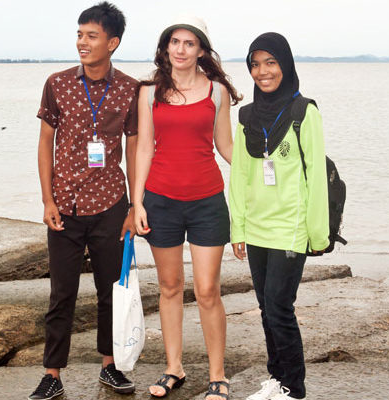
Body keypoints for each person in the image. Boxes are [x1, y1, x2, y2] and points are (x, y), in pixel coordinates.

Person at [30, 2, 139, 399]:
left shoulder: (130, 89)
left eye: (92, 36)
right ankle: (52, 374)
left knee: (112, 291)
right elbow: (45, 143)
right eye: (79, 34)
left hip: (111, 203)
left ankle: (110, 366)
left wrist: (134, 206)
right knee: (62, 294)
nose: (82, 42)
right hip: (65, 205)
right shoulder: (57, 84)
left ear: (113, 42)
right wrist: (47, 200)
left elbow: (134, 148)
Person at [133, 15, 241, 400]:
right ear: (166, 48)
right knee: (169, 287)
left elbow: (226, 147)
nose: (180, 49)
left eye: (189, 43)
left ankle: (218, 376)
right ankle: (173, 367)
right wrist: (136, 203)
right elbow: (144, 149)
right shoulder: (149, 92)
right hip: (160, 201)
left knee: (208, 290)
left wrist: (264, 175)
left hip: (207, 201)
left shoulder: (216, 92)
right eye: (174, 42)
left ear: (201, 51)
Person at [229, 32, 330, 400]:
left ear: (285, 65)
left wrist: (318, 235)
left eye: (270, 62)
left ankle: (294, 388)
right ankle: (277, 379)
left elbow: (316, 178)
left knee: (279, 307)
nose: (262, 71)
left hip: (290, 227)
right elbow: (239, 176)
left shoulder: (305, 113)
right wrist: (238, 228)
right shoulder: (246, 117)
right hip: (256, 228)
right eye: (255, 64)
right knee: (265, 308)